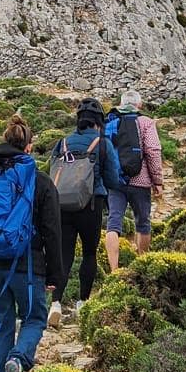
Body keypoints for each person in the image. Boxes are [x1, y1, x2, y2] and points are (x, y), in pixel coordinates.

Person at [0, 112, 65, 372]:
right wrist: (55, 274)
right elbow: (53, 233)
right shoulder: (41, 182)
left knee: (2, 324)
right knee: (34, 318)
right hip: (27, 265)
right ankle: (19, 358)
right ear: (29, 146)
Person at [46, 98, 123, 328]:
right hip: (91, 205)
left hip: (62, 205)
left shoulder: (63, 143)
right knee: (89, 253)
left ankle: (56, 303)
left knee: (64, 254)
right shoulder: (103, 143)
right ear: (99, 121)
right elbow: (112, 178)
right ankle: (82, 302)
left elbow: (51, 171)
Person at [105, 87, 165, 267]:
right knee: (143, 222)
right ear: (139, 105)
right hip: (141, 180)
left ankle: (114, 270)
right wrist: (158, 181)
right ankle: (142, 263)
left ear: (121, 104)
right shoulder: (146, 122)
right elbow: (153, 151)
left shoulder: (110, 122)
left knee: (113, 222)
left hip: (116, 181)